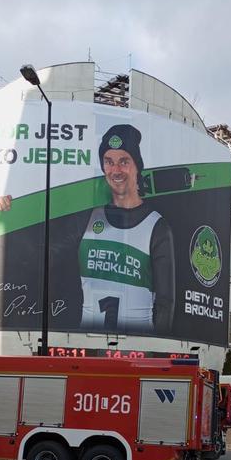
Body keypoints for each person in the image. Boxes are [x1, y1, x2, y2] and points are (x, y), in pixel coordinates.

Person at [79, 124, 175, 334]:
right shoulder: (88, 215)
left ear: (137, 165)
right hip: (86, 345)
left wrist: (155, 350)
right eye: (109, 162)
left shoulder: (156, 225)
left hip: (137, 349)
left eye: (124, 161)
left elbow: (165, 301)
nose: (116, 170)